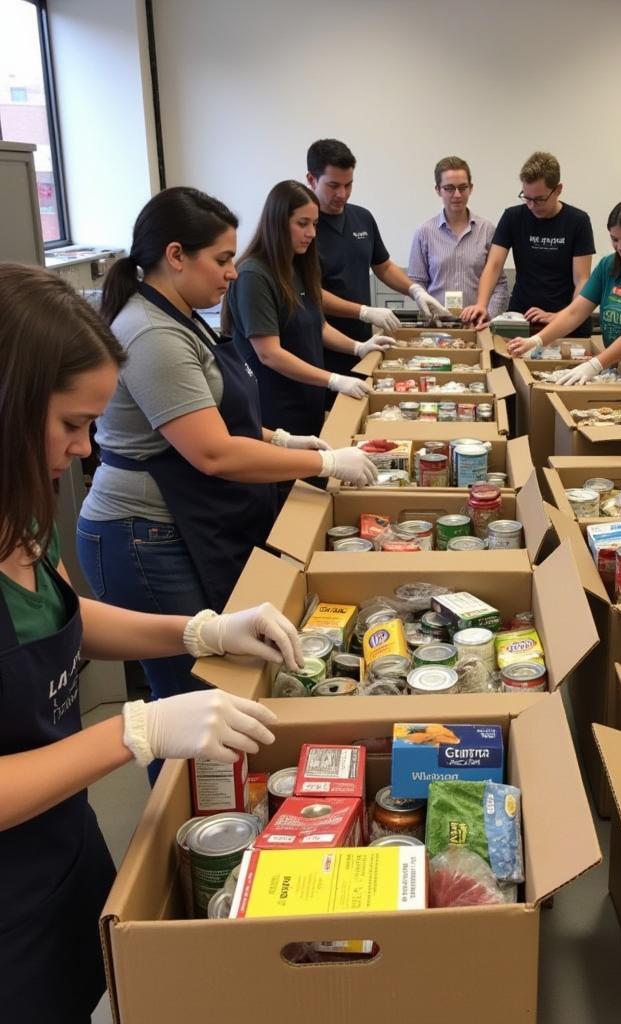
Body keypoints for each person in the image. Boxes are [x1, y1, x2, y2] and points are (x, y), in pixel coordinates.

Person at [0, 262, 298, 1021]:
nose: (87, 447)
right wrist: (134, 730)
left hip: (56, 846)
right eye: (71, 424)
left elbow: (66, 619)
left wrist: (199, 629)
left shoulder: (20, 508)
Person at [79, 187, 375, 710]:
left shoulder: (183, 316)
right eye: (219, 260)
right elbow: (213, 453)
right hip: (144, 534)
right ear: (175, 256)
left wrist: (280, 439)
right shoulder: (152, 334)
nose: (231, 272)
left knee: (215, 691)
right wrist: (323, 461)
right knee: (190, 699)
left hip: (182, 521)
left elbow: (210, 418)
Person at [223, 180, 381, 439]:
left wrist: (359, 347)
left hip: (306, 399)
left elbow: (317, 325)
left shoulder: (295, 267)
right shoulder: (254, 275)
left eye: (315, 224)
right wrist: (333, 379)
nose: (312, 233)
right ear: (277, 222)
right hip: (274, 407)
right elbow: (269, 354)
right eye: (302, 224)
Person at [505, 198, 621, 395]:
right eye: (614, 239)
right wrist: (537, 340)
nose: (620, 246)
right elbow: (575, 312)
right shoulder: (609, 266)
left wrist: (594, 365)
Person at [305, 138, 448, 377]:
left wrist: (415, 290)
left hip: (362, 343)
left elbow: (383, 267)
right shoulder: (304, 228)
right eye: (333, 185)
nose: (342, 194)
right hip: (320, 344)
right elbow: (308, 292)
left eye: (348, 185)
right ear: (311, 179)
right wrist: (363, 311)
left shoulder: (362, 218)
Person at [460, 151, 595, 337]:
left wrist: (563, 316)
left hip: (565, 321)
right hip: (521, 319)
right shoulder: (513, 217)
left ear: (558, 189)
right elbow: (493, 265)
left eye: (539, 199)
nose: (532, 205)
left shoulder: (578, 221)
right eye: (527, 197)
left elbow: (581, 279)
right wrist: (482, 304)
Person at [406, 155, 510, 319]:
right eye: (449, 188)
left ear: (471, 188)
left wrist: (488, 316)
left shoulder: (487, 230)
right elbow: (416, 284)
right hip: (438, 325)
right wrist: (431, 314)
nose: (457, 195)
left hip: (478, 325)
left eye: (463, 188)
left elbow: (500, 284)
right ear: (438, 190)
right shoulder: (424, 233)